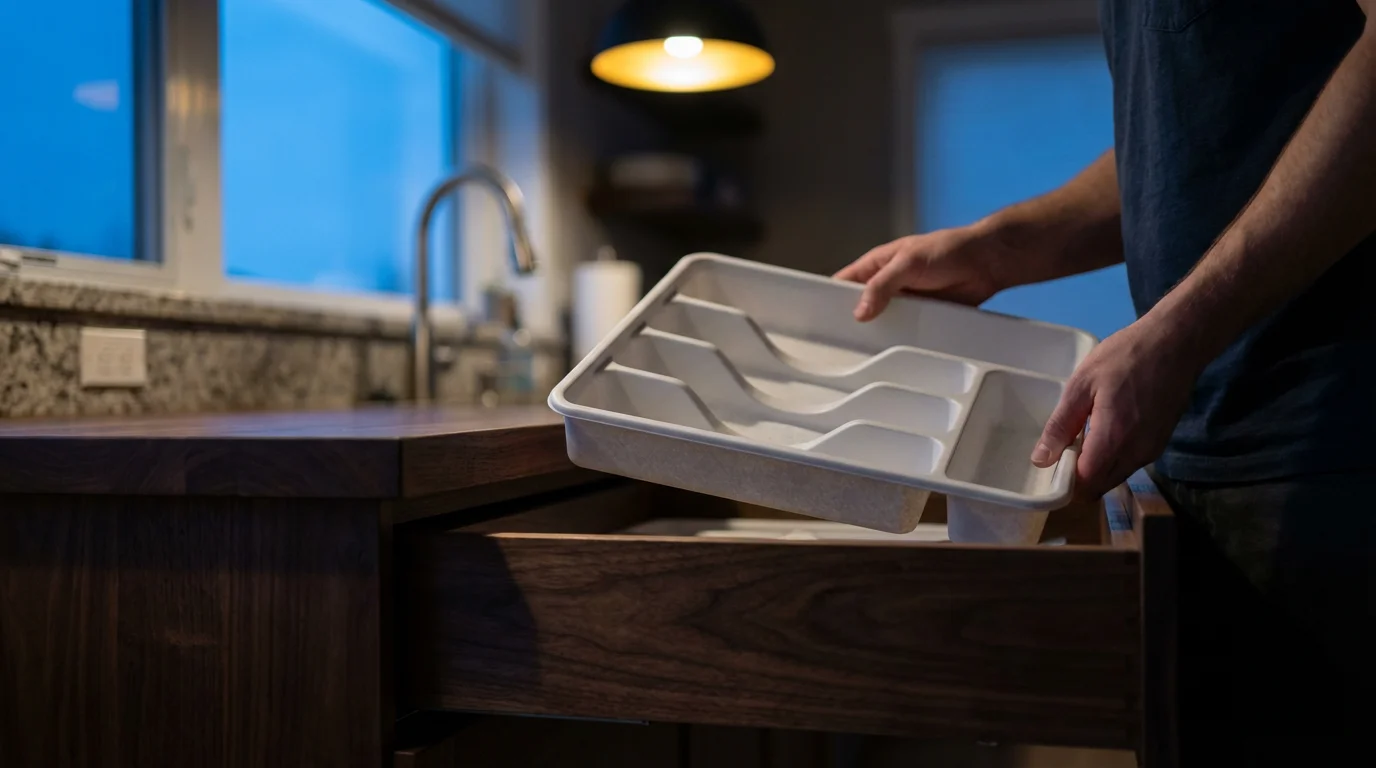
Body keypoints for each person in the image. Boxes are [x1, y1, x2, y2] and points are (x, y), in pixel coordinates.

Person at [836, 1, 1375, 764]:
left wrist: (1180, 330)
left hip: (1338, 458)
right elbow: (1177, 157)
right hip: (1203, 460)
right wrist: (996, 249)